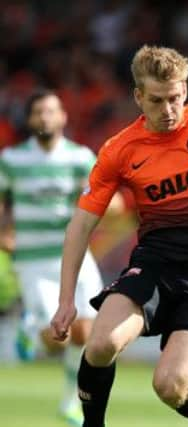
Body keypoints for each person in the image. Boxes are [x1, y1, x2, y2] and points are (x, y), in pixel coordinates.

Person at [50, 45, 188, 427]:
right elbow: (81, 225)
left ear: (186, 90)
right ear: (138, 97)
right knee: (100, 344)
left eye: (176, 98)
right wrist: (67, 301)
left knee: (171, 386)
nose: (169, 110)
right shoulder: (120, 149)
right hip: (156, 263)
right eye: (158, 100)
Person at [0, 90, 106, 426]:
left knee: (85, 332)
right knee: (56, 338)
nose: (46, 117)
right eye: (39, 112)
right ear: (30, 119)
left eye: (52, 111)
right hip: (32, 258)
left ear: (63, 117)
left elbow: (97, 198)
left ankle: (69, 402)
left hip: (74, 255)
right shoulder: (11, 160)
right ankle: (30, 328)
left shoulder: (79, 157)